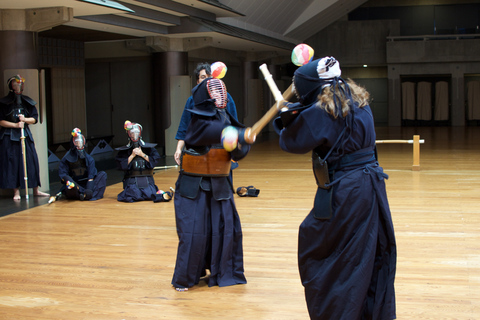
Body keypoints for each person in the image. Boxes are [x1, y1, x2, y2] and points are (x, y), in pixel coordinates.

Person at [274, 57, 397, 319]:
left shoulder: (320, 112)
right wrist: (293, 109)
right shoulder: (358, 102)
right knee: (362, 253)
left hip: (347, 190)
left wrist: (282, 116)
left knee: (324, 252)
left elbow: (292, 142)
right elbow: (317, 118)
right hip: (369, 187)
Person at [171, 76, 250, 291]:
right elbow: (204, 134)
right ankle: (186, 277)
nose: (218, 94)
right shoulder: (197, 120)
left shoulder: (226, 117)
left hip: (220, 184)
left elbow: (236, 151)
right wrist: (235, 134)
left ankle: (223, 272)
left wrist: (242, 143)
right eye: (213, 91)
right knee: (193, 234)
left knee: (226, 230)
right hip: (193, 186)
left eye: (220, 91)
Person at [174, 62, 238, 166]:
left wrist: (235, 150)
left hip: (221, 150)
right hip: (197, 150)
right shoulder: (191, 100)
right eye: (203, 77)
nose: (207, 80)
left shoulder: (226, 97)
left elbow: (234, 125)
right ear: (197, 81)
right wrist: (178, 149)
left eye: (210, 77)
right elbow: (184, 126)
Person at [0, 75, 50, 200]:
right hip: (9, 136)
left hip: (25, 135)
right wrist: (15, 125)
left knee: (31, 160)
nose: (19, 87)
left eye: (20, 84)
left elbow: (34, 118)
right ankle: (16, 192)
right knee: (13, 163)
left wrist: (25, 120)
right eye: (16, 84)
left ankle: (36, 190)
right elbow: (1, 121)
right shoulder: (3, 103)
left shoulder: (27, 101)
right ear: (11, 86)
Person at [115, 120, 171, 203]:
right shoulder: (124, 150)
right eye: (132, 133)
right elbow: (121, 165)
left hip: (147, 180)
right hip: (132, 181)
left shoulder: (149, 148)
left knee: (150, 195)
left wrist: (142, 154)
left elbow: (155, 160)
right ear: (129, 134)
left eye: (136, 133)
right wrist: (132, 156)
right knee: (134, 196)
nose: (134, 135)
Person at [56, 128, 107, 201]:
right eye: (77, 142)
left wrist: (89, 189)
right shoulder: (66, 159)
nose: (79, 144)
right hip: (74, 185)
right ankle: (83, 194)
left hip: (86, 183)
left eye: (80, 142)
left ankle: (86, 195)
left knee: (102, 175)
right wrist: (76, 186)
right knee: (69, 185)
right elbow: (64, 175)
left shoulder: (89, 159)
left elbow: (90, 178)